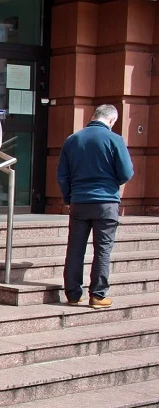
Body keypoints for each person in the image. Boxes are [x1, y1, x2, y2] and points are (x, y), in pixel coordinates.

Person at [58, 104, 134, 309]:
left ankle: (73, 294)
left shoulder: (73, 140)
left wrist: (69, 198)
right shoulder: (115, 139)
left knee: (75, 249)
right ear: (112, 120)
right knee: (103, 250)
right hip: (106, 203)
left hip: (79, 201)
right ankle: (98, 295)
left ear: (94, 116)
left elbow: (62, 175)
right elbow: (126, 172)